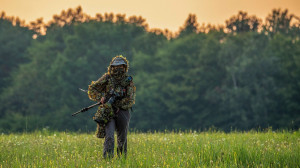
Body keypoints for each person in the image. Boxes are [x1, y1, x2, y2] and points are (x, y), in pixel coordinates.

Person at [87, 55, 136, 158]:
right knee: (109, 137)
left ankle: (122, 160)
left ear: (125, 67)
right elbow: (92, 89)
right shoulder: (107, 78)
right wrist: (101, 98)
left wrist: (118, 104)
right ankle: (107, 160)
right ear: (112, 67)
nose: (118, 69)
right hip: (108, 111)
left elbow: (130, 100)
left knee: (122, 138)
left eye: (121, 66)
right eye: (116, 66)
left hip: (123, 111)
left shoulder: (128, 81)